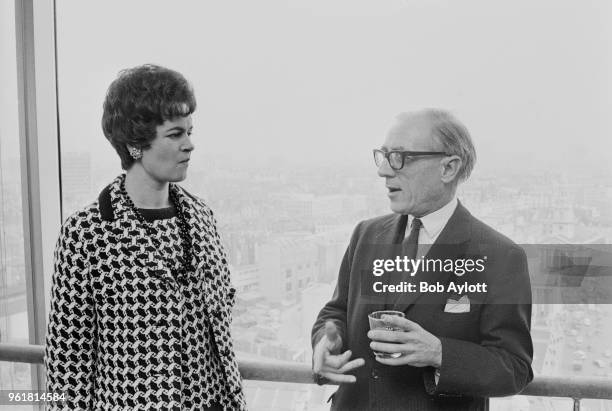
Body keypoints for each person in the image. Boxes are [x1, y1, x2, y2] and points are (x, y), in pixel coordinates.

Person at [44, 64, 246, 410]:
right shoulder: (87, 234)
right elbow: (68, 370)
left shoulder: (203, 219)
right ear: (136, 143)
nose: (190, 145)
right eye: (175, 134)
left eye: (190, 132)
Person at [311, 109, 533, 410]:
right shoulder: (366, 234)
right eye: (384, 155)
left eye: (401, 157)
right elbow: (335, 311)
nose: (384, 171)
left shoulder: (500, 257)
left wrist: (439, 352)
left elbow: (514, 368)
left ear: (449, 168)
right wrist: (327, 341)